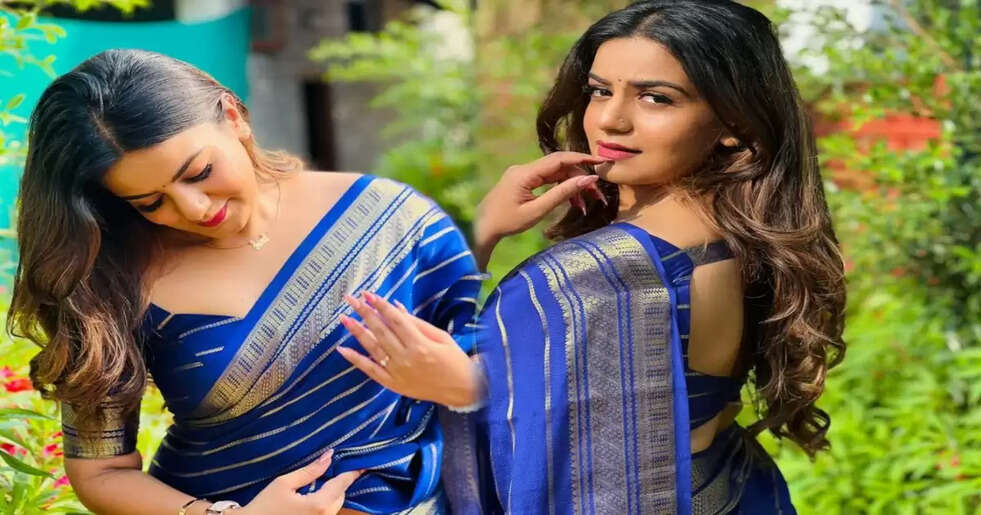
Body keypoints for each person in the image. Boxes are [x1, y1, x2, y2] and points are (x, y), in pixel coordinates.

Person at [337, 1, 847, 513]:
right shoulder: (751, 239)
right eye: (600, 91)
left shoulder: (583, 283)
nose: (610, 120)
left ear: (732, 122)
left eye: (656, 98)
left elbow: (381, 366)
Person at [8, 49, 485, 515]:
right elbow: (101, 473)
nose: (194, 208)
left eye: (200, 172)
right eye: (151, 202)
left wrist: (465, 383)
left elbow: (506, 371)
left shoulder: (391, 222)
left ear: (234, 117)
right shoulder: (112, 280)